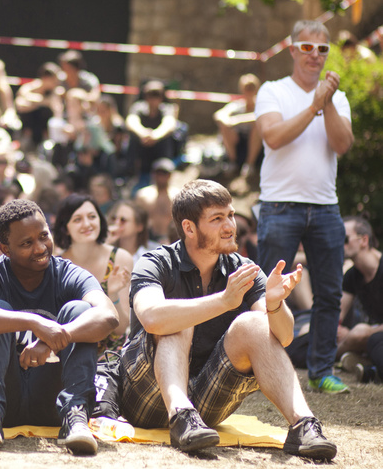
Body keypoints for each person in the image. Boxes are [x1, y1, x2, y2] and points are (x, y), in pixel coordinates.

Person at [118, 179, 336, 459]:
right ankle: (180, 414)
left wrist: (274, 304)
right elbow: (150, 317)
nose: (230, 226)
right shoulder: (156, 262)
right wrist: (223, 301)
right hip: (146, 397)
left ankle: (303, 425)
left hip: (207, 406)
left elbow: (284, 337)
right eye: (217, 218)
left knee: (254, 323)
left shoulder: (244, 270)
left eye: (231, 215)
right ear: (189, 228)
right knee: (176, 319)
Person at [0, 199, 118, 454]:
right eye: (26, 243)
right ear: (5, 249)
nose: (40, 248)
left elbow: (108, 315)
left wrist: (55, 337)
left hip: (50, 401)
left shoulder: (67, 273)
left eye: (44, 236)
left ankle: (75, 417)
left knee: (80, 311)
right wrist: (35, 322)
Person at [255, 20, 354, 394]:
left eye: (322, 49)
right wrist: (314, 103)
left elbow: (342, 145)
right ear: (293, 50)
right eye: (307, 48)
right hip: (280, 205)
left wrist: (325, 102)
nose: (315, 55)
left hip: (325, 207)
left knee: (329, 293)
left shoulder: (336, 97)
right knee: (268, 290)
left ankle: (321, 371)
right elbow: (274, 136)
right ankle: (260, 366)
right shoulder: (273, 90)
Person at [53, 194, 133, 355]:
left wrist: (113, 293)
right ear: (65, 228)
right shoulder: (56, 266)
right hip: (69, 351)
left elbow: (121, 328)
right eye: (77, 219)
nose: (87, 224)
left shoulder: (119, 258)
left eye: (92, 217)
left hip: (110, 357)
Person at [338, 216, 383, 381]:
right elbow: (338, 315)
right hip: (376, 340)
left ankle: (332, 357)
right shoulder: (352, 275)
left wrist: (364, 333)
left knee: (363, 334)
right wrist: (338, 328)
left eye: (344, 239)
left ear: (364, 240)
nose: (339, 244)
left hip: (375, 337)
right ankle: (367, 365)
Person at [125, 79, 179, 191]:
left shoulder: (167, 108)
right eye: (150, 95)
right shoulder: (138, 107)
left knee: (166, 140)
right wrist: (143, 134)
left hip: (159, 151)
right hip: (142, 150)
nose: (153, 99)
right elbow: (131, 121)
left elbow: (169, 124)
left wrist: (155, 136)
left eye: (156, 95)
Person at [213, 73, 262, 177]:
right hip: (239, 144)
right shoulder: (237, 105)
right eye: (247, 88)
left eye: (251, 88)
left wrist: (237, 120)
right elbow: (219, 115)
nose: (249, 91)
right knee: (224, 127)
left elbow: (260, 117)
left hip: (256, 147)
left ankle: (250, 164)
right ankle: (233, 162)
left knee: (257, 127)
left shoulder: (262, 104)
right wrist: (227, 122)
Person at [134, 158, 180, 244]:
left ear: (170, 175)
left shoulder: (178, 195)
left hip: (171, 238)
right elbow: (138, 219)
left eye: (164, 173)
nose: (161, 177)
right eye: (159, 173)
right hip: (148, 238)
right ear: (153, 174)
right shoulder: (143, 195)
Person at [107, 200, 157, 264]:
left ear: (139, 226)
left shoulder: (151, 255)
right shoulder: (106, 248)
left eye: (123, 220)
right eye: (114, 219)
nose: (116, 223)